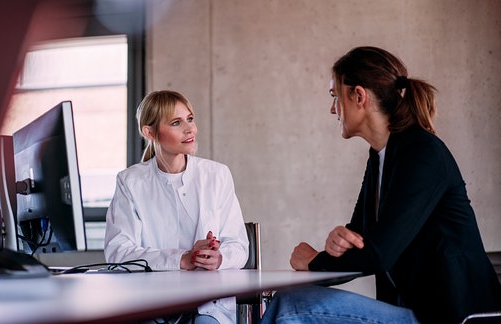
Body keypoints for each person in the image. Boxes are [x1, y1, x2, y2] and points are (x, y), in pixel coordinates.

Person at [261, 46, 501, 323]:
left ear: (359, 96)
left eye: (335, 96)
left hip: (451, 316)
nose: (332, 109)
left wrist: (314, 261)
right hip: (415, 311)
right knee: (289, 300)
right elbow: (360, 237)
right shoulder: (381, 157)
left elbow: (378, 255)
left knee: (290, 306)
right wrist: (339, 241)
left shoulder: (423, 153)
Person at [104, 90, 249, 324]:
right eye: (176, 122)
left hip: (208, 306)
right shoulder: (130, 181)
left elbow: (240, 246)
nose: (190, 129)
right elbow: (117, 253)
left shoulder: (216, 174)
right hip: (151, 304)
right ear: (149, 132)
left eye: (190, 119)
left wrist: (218, 258)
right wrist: (182, 259)